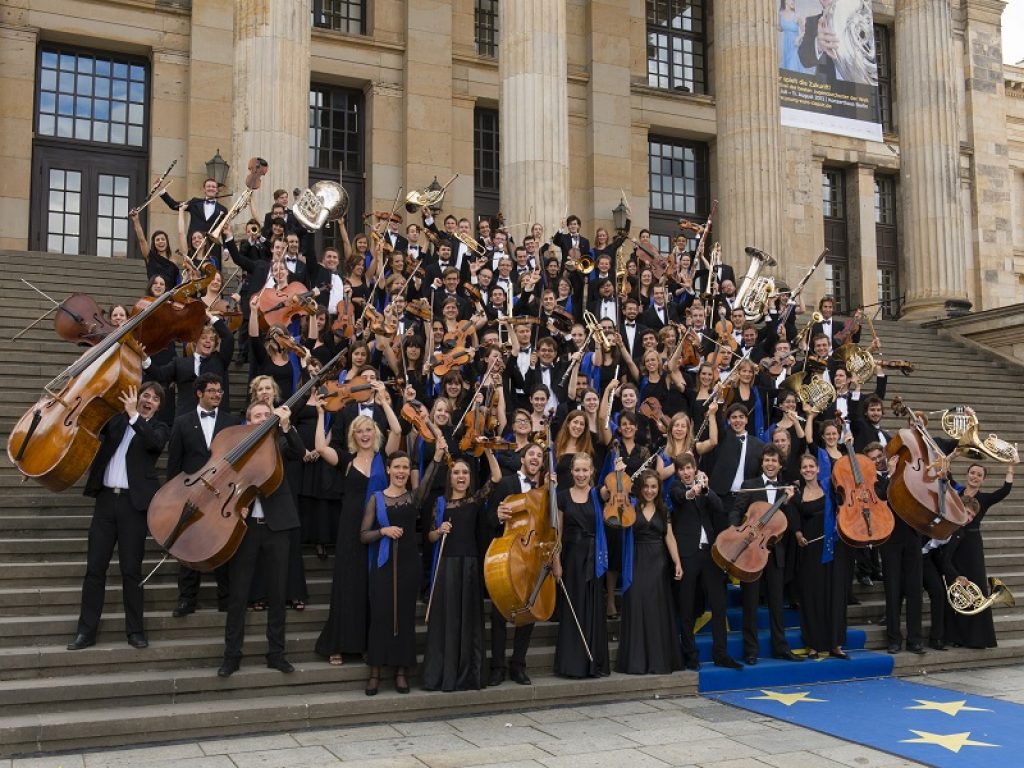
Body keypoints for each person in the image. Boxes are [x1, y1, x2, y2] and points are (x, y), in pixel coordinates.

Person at [67, 384, 168, 651]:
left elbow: (153, 444)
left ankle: (135, 631)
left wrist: (135, 416)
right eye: (145, 395)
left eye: (155, 399)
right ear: (136, 396)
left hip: (133, 507)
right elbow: (90, 424)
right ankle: (85, 632)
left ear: (158, 407)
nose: (149, 400)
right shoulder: (116, 421)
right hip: (105, 503)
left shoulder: (158, 429)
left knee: (131, 571)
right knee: (94, 569)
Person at [313, 387, 402, 665]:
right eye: (359, 431)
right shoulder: (347, 461)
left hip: (375, 529)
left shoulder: (382, 457)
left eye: (368, 430)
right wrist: (319, 415)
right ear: (353, 435)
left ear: (374, 433)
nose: (364, 435)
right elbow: (319, 447)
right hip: (349, 529)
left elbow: (397, 431)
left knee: (369, 587)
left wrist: (385, 403)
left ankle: (365, 643)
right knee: (346, 584)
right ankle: (337, 644)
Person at [217, 400, 305, 678]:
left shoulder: (280, 442)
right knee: (239, 594)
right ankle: (232, 655)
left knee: (278, 593)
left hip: (277, 525)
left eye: (268, 415)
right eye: (258, 415)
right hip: (245, 527)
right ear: (247, 421)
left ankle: (276, 654)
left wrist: (288, 426)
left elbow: (299, 452)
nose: (264, 419)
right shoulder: (237, 446)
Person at [360, 447, 443, 695]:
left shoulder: (413, 498)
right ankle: (375, 673)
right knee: (381, 616)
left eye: (405, 467)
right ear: (388, 469)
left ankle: (401, 672)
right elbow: (363, 535)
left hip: (409, 564)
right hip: (384, 566)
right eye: (396, 467)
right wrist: (382, 531)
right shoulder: (377, 498)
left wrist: (437, 456)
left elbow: (428, 480)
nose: (401, 471)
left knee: (404, 618)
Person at [422, 446, 502, 691]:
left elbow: (496, 478)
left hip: (468, 566)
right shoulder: (440, 503)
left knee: (467, 620)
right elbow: (430, 537)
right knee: (446, 620)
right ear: (450, 477)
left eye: (465, 473)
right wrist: (439, 531)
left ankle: (468, 674)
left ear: (469, 477)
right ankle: (442, 673)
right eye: (456, 472)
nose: (460, 476)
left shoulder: (475, 500)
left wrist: (488, 451)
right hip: (446, 567)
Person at [166, 374, 237, 617]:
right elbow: (173, 464)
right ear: (199, 393)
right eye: (212, 391)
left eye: (220, 391)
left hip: (221, 494)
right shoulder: (182, 422)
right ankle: (187, 599)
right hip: (192, 492)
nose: (218, 394)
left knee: (222, 543)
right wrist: (173, 497)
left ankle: (226, 598)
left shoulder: (231, 421)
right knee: (188, 545)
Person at [669, 454, 740, 670]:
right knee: (687, 607)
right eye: (682, 469)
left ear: (695, 468)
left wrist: (706, 489)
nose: (686, 472)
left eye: (689, 468)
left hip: (710, 554)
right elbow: (682, 497)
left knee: (719, 604)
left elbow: (719, 507)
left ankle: (721, 654)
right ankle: (691, 655)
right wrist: (693, 491)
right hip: (688, 555)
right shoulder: (675, 488)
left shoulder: (705, 489)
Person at [732, 445, 801, 665]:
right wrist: (735, 530)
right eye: (767, 460)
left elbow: (789, 522)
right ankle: (751, 651)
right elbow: (736, 510)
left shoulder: (785, 489)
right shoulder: (749, 485)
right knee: (750, 602)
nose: (770, 464)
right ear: (762, 462)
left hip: (775, 551)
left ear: (780, 465)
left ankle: (780, 647)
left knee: (776, 602)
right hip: (752, 551)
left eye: (774, 461)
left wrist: (789, 501)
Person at [487, 443, 546, 686]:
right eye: (531, 454)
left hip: (532, 553)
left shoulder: (545, 490)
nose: (535, 458)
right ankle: (498, 666)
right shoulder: (506, 484)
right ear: (522, 459)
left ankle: (518, 664)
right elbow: (488, 517)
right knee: (500, 610)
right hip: (508, 553)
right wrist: (497, 517)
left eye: (540, 456)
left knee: (529, 609)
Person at [616, 470, 683, 674]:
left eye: (654, 487)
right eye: (646, 486)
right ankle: (636, 661)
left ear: (659, 488)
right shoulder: (632, 506)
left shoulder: (664, 510)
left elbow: (669, 537)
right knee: (636, 603)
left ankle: (657, 660)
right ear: (640, 487)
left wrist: (677, 562)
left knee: (656, 608)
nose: (649, 490)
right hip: (635, 559)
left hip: (658, 562)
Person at [552, 453, 611, 678]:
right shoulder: (562, 496)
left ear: (592, 471)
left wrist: (617, 471)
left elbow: (612, 490)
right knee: (572, 609)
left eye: (585, 470)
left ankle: (592, 662)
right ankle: (572, 664)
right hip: (571, 559)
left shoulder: (597, 493)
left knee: (593, 607)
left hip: (593, 558)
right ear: (571, 472)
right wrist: (556, 563)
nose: (581, 475)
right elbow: (557, 533)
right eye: (577, 470)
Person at [946, 461, 1016, 649]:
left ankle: (977, 638)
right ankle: (957, 637)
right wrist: (951, 457)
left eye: (979, 475)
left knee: (975, 588)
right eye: (972, 473)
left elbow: (1004, 491)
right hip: (953, 543)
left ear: (983, 480)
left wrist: (1011, 468)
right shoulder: (957, 492)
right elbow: (947, 475)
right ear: (967, 474)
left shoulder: (984, 499)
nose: (975, 476)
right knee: (956, 590)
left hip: (972, 547)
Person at [867, 442, 926, 655]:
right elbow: (881, 498)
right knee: (892, 591)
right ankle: (894, 640)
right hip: (889, 540)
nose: (877, 460)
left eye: (878, 456)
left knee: (914, 591)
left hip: (911, 537)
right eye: (872, 458)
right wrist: (890, 475)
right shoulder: (872, 480)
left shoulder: (904, 473)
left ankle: (915, 640)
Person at [791, 452, 849, 659]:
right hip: (810, 552)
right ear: (800, 471)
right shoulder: (797, 495)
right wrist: (798, 534)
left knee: (834, 595)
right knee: (812, 597)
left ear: (817, 469)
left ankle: (835, 644)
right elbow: (795, 521)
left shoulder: (830, 489)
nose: (808, 470)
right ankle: (813, 644)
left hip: (833, 549)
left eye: (811, 466)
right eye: (804, 467)